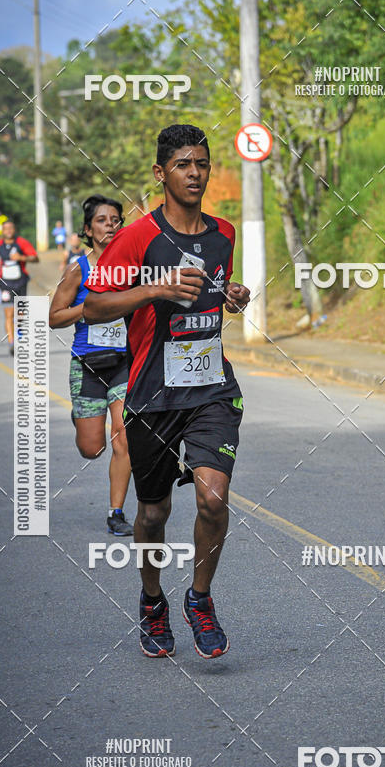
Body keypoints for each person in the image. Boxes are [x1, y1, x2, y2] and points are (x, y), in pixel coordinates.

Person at [83, 124, 250, 660]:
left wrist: (233, 296)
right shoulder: (137, 238)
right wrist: (156, 287)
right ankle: (152, 601)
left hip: (211, 388)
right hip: (153, 396)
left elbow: (215, 291)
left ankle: (199, 599)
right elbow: (94, 307)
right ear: (161, 173)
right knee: (153, 515)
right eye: (183, 164)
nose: (194, 173)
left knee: (213, 497)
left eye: (201, 163)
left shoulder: (223, 232)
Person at [49, 195, 134, 537]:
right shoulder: (78, 269)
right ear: (88, 229)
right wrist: (89, 309)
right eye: (102, 220)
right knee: (92, 448)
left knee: (123, 438)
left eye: (115, 219)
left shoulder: (133, 269)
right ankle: (85, 419)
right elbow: (54, 317)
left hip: (124, 364)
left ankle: (116, 512)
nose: (110, 224)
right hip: (87, 366)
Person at [0, 220, 38, 356]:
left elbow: (35, 258)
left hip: (21, 282)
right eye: (6, 229)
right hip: (4, 283)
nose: (8, 231)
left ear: (14, 230)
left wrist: (21, 257)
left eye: (11, 228)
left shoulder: (22, 243)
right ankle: (12, 342)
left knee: (20, 314)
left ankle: (19, 334)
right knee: (9, 314)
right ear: (2, 231)